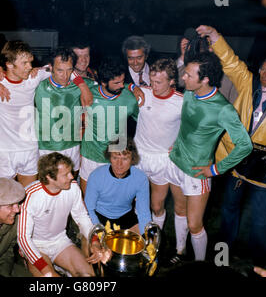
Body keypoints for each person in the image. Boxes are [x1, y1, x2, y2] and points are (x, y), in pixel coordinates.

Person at [196, 25, 266, 265]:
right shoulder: (248, 82)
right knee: (230, 206)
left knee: (261, 213)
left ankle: (259, 258)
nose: (264, 73)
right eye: (263, 67)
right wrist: (215, 36)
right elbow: (231, 62)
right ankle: (225, 250)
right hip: (240, 156)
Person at [163, 51, 252, 263]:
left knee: (195, 224)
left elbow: (245, 145)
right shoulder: (189, 93)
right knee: (179, 210)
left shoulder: (223, 109)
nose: (183, 77)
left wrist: (216, 169)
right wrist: (178, 142)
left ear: (205, 80)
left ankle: (201, 265)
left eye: (189, 75)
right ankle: (180, 251)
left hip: (197, 172)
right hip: (176, 162)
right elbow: (187, 125)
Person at [0, 40, 91, 188]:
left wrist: (82, 85)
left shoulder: (33, 77)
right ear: (9, 64)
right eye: (25, 63)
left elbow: (61, 69)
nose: (30, 67)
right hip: (4, 150)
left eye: (30, 62)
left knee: (30, 193)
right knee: (5, 196)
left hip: (30, 147)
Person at [17, 152, 105, 277]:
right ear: (49, 177)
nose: (71, 176)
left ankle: (59, 266)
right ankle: (38, 266)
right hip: (36, 246)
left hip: (60, 241)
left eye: (70, 172)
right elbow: (23, 238)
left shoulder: (73, 187)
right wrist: (44, 268)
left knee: (88, 276)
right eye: (65, 174)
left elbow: (81, 216)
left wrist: (94, 241)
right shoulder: (30, 195)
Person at [133, 58, 186, 250]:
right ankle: (137, 241)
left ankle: (153, 244)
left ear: (171, 81)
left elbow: (194, 127)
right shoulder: (143, 92)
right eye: (152, 81)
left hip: (162, 160)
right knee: (136, 203)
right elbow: (120, 85)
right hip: (138, 156)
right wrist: (132, 87)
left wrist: (181, 143)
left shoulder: (181, 102)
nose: (153, 86)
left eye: (158, 82)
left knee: (156, 206)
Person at [79, 56, 139, 195]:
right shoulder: (89, 92)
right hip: (90, 155)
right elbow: (69, 74)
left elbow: (142, 123)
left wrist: (132, 85)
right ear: (104, 82)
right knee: (88, 198)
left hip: (115, 157)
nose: (121, 85)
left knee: (112, 200)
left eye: (123, 81)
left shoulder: (130, 98)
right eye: (117, 83)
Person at [35, 47, 96, 176]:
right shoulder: (38, 85)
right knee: (48, 187)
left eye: (69, 70)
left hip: (72, 146)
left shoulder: (81, 85)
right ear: (50, 67)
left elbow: (110, 86)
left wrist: (132, 87)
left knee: (70, 184)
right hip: (46, 147)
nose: (65, 76)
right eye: (60, 70)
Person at [84, 138, 151, 234]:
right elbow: (89, 209)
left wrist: (146, 235)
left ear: (132, 159)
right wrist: (98, 230)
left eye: (125, 158)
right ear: (109, 157)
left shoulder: (141, 178)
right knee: (92, 244)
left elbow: (144, 212)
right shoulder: (96, 176)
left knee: (142, 244)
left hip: (125, 215)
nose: (119, 164)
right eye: (115, 158)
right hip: (99, 215)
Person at [176, 28, 238, 103]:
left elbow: (233, 108)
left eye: (212, 43)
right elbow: (176, 81)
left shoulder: (231, 75)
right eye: (206, 43)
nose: (210, 48)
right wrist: (184, 56)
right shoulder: (194, 66)